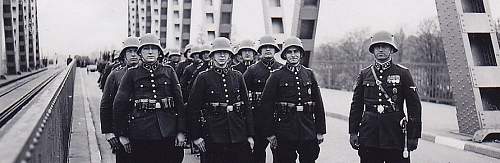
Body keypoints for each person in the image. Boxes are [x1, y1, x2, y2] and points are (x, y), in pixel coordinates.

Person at [348, 31, 422, 163]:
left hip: (395, 134)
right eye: (377, 46)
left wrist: (413, 135)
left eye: (385, 46)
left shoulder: (403, 73)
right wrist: (353, 132)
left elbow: (414, 106)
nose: (381, 49)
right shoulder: (365, 74)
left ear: (392, 49)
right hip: (369, 134)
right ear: (373, 50)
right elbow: (356, 106)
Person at [113, 33, 186, 163]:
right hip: (141, 133)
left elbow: (179, 103)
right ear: (140, 53)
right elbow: (119, 105)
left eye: (154, 48)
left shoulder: (169, 71)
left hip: (168, 131)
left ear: (159, 52)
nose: (151, 52)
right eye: (146, 49)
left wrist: (181, 131)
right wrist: (122, 134)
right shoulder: (131, 74)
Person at [188, 37, 255, 163]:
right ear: (212, 56)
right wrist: (196, 136)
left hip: (237, 133)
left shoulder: (237, 76)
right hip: (212, 135)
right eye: (218, 53)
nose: (222, 56)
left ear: (230, 56)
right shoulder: (203, 77)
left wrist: (250, 134)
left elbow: (246, 107)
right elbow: (193, 108)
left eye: (225, 53)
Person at [260, 36, 326, 163]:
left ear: (301, 54)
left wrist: (320, 130)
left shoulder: (309, 74)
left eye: (296, 51)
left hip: (307, 128)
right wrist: (270, 133)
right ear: (285, 55)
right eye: (289, 52)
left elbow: (318, 103)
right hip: (284, 130)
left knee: (309, 159)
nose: (293, 55)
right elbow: (266, 106)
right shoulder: (276, 76)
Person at [243, 35, 283, 163]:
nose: (268, 50)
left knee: (280, 153)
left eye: (271, 47)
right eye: (265, 47)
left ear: (275, 50)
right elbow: (241, 92)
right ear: (259, 51)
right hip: (258, 118)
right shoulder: (252, 70)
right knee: (258, 154)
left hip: (279, 117)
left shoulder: (282, 69)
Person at [100, 37, 140, 163]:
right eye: (129, 51)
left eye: (136, 51)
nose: (133, 54)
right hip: (122, 129)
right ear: (124, 55)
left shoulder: (147, 74)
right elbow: (106, 104)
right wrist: (108, 132)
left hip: (144, 131)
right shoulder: (115, 75)